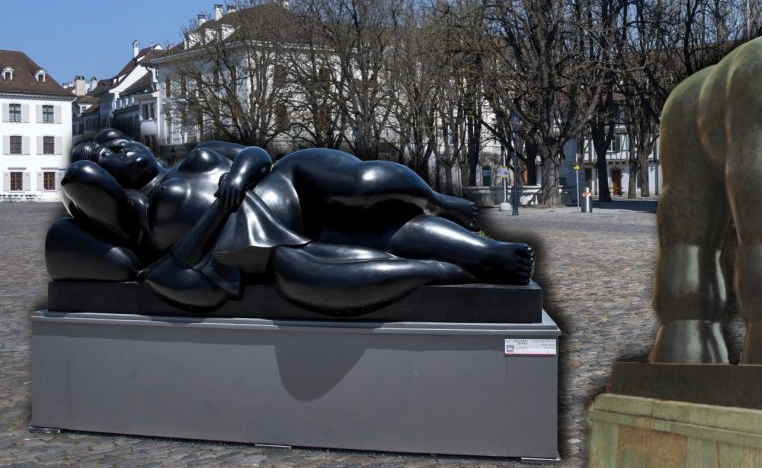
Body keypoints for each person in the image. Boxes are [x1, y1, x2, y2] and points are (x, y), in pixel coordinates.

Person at [46, 129, 534, 313]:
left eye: (118, 141)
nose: (123, 148)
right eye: (110, 154)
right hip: (271, 247)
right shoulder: (143, 217)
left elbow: (256, 153)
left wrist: (238, 173)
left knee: (366, 186)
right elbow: (81, 180)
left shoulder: (198, 154)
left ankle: (438, 200)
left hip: (289, 182)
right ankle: (465, 267)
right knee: (365, 249)